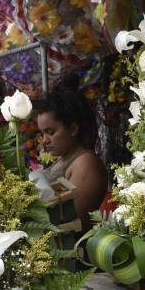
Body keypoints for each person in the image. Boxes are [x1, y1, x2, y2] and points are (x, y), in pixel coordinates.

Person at [34, 89, 109, 231]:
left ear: (73, 129)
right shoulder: (65, 157)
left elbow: (69, 223)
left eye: (50, 132)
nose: (44, 140)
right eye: (42, 133)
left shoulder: (85, 164)